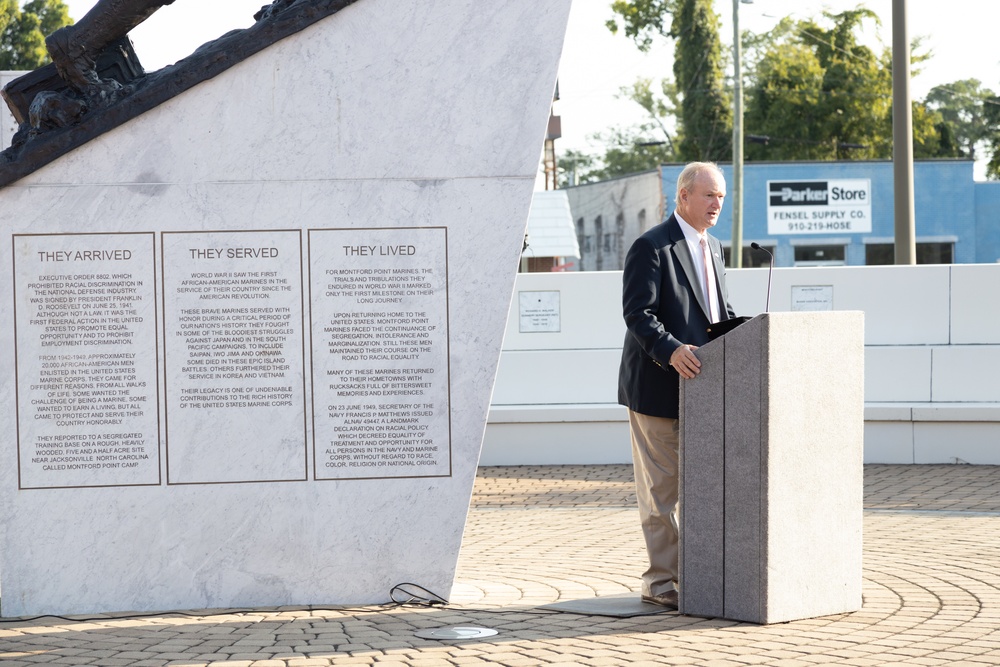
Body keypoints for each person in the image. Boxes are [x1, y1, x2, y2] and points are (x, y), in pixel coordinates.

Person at [617, 161, 736, 609]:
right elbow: (637, 313)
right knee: (661, 492)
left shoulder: (716, 248)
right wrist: (669, 349)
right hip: (657, 388)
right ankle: (661, 581)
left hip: (705, 389)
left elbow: (717, 311)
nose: (716, 205)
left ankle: (701, 575)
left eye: (721, 197)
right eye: (709, 196)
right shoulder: (651, 247)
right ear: (684, 196)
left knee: (704, 487)